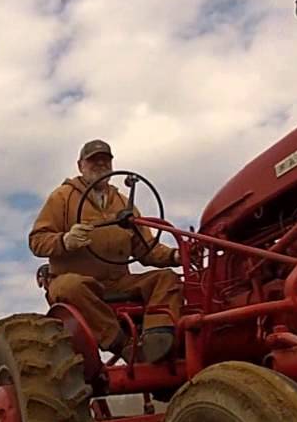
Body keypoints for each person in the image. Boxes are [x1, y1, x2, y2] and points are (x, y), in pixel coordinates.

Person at [28, 139, 182, 362]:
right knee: (70, 286)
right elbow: (37, 241)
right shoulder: (62, 197)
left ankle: (157, 341)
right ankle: (122, 344)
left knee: (167, 279)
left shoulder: (123, 203)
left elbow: (146, 250)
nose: (100, 165)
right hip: (78, 282)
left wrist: (174, 255)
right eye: (93, 161)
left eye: (105, 161)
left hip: (118, 281)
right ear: (80, 165)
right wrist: (65, 240)